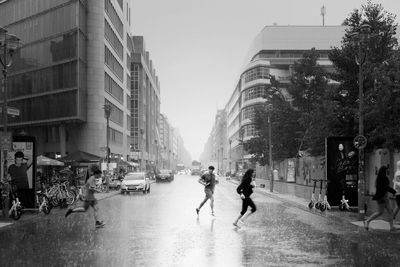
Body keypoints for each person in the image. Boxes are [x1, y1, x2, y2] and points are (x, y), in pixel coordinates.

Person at [364, 166, 397, 231]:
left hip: (384, 197)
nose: (388, 171)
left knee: (390, 212)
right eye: (387, 170)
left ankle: (392, 227)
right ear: (384, 171)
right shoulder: (382, 179)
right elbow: (386, 188)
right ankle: (367, 221)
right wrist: (394, 192)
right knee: (380, 212)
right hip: (382, 198)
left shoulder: (380, 178)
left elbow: (386, 188)